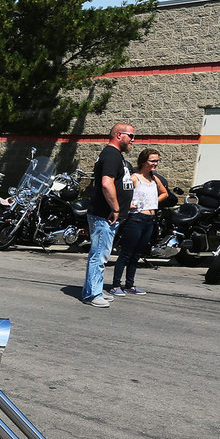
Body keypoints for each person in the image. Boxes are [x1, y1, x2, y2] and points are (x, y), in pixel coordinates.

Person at [82, 122, 135, 307]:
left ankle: (94, 290)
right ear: (119, 135)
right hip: (104, 214)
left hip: (108, 215)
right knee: (99, 255)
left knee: (101, 254)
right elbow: (106, 183)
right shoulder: (111, 154)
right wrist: (115, 208)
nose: (133, 141)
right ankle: (91, 295)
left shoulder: (114, 155)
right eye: (131, 136)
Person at [110, 148, 167, 297]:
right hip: (136, 219)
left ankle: (130, 284)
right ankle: (116, 285)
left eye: (157, 161)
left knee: (136, 255)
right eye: (153, 161)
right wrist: (128, 205)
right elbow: (120, 194)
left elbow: (165, 193)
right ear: (143, 162)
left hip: (149, 220)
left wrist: (153, 203)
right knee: (126, 254)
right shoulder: (134, 178)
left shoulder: (154, 179)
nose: (156, 164)